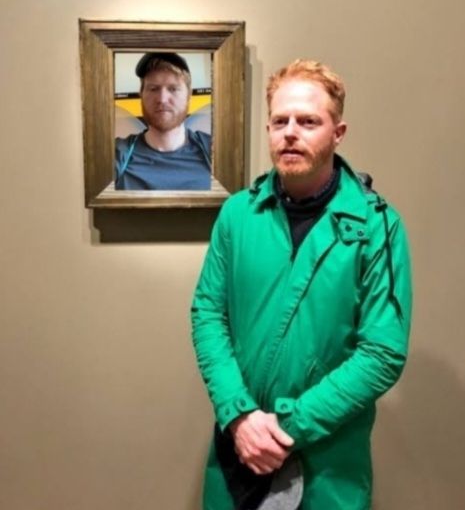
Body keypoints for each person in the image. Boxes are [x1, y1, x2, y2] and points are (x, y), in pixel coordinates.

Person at [191, 59, 412, 510]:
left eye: (308, 121)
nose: (290, 132)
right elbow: (208, 314)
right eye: (280, 121)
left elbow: (382, 353)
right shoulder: (237, 215)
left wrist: (288, 427)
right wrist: (239, 414)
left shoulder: (378, 226)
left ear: (338, 132)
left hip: (327, 464)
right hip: (239, 452)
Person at [115, 52, 211, 190]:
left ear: (189, 95)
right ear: (141, 94)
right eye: (153, 89)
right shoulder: (117, 153)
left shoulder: (214, 150)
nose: (162, 99)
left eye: (173, 89)